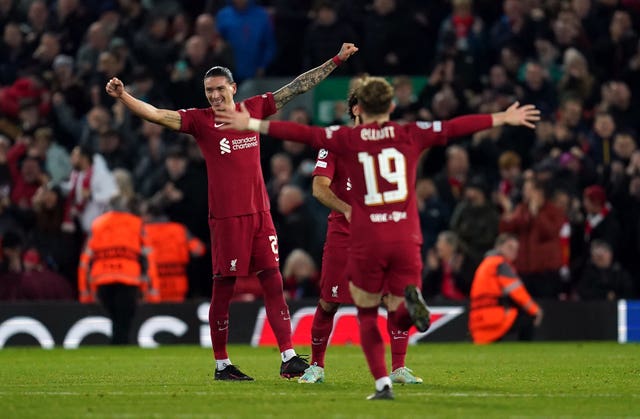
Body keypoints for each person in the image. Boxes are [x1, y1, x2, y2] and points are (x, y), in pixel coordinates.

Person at [215, 77, 539, 400]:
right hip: (385, 231)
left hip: (368, 235)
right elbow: (452, 127)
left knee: (368, 307)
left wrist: (252, 123)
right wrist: (501, 117)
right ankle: (319, 365)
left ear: (359, 107)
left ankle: (391, 372)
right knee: (342, 300)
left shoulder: (343, 139)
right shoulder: (406, 134)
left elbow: (302, 133)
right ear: (390, 106)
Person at [105, 42, 359, 380]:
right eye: (208, 90)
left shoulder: (252, 109)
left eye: (219, 89)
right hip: (227, 218)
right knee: (224, 287)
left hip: (260, 214)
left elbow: (298, 86)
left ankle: (288, 358)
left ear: (233, 88)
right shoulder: (200, 121)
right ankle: (222, 364)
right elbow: (157, 115)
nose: (213, 96)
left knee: (273, 280)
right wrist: (124, 96)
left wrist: (337, 60)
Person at [298, 83, 423, 386]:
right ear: (354, 109)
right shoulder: (336, 142)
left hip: (382, 234)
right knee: (329, 301)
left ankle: (399, 368)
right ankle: (315, 366)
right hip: (344, 235)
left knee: (393, 298)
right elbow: (318, 188)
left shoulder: (388, 143)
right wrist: (349, 210)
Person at [78, 197, 161, 345]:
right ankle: (119, 347)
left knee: (115, 318)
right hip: (128, 278)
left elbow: (85, 260)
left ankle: (116, 346)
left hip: (102, 278)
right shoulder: (136, 223)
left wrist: (85, 291)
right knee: (124, 320)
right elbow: (149, 257)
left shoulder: (97, 223)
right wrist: (152, 290)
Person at [469, 233, 543, 344]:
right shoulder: (500, 264)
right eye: (510, 247)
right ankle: (526, 353)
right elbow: (518, 292)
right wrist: (536, 310)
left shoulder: (486, 263)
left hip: (477, 318)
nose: (513, 252)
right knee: (529, 318)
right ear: (498, 247)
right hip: (493, 317)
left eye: (516, 249)